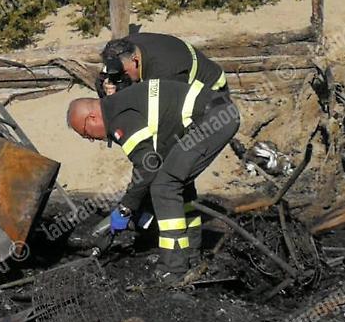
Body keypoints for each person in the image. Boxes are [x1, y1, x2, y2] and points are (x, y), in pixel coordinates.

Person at [67, 77, 239, 283]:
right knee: (177, 184)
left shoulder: (118, 118)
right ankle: (191, 256)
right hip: (218, 113)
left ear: (92, 117)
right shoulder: (120, 105)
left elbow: (147, 167)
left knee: (165, 187)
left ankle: (173, 270)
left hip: (213, 119)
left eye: (86, 134)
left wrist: (125, 208)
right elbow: (154, 161)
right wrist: (137, 205)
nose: (91, 139)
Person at [97, 32, 226, 97]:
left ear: (135, 60)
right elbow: (105, 76)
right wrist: (105, 85)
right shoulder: (124, 48)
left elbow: (164, 112)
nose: (121, 76)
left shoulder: (163, 73)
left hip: (211, 89)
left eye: (124, 73)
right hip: (175, 67)